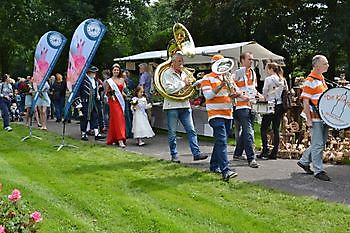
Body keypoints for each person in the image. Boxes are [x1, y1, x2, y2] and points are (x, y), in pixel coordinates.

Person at [162, 52, 208, 163]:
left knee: (191, 130)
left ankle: (196, 153)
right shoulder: (167, 74)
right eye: (179, 61)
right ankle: (174, 155)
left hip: (185, 105)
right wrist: (183, 83)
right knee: (172, 132)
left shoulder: (185, 73)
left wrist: (195, 85)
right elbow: (169, 90)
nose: (181, 63)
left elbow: (189, 88)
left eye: (182, 61)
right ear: (173, 62)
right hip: (172, 106)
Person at [201, 55, 238, 181]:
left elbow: (235, 92)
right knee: (222, 140)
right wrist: (221, 85)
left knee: (221, 141)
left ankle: (213, 165)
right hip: (215, 114)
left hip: (228, 113)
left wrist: (237, 94)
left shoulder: (228, 77)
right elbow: (208, 96)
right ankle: (225, 170)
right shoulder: (207, 78)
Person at [297, 55, 330, 181]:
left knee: (319, 143)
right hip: (315, 117)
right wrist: (309, 120)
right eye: (325, 63)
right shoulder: (310, 80)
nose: (327, 65)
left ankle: (304, 161)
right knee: (318, 144)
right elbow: (305, 102)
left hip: (322, 117)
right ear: (317, 66)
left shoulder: (321, 79)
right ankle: (318, 170)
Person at [233, 51, 264, 168]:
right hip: (241, 106)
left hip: (250, 105)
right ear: (242, 61)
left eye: (252, 59)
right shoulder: (237, 73)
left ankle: (237, 154)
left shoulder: (253, 73)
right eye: (249, 59)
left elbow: (252, 88)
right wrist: (241, 96)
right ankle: (252, 158)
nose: (251, 61)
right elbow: (232, 88)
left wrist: (259, 94)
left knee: (246, 130)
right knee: (249, 131)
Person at [259, 63, 288, 160]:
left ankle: (265, 150)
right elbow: (286, 92)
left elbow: (264, 92)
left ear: (271, 69)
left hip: (270, 105)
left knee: (264, 128)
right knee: (276, 129)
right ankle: (274, 152)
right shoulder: (282, 79)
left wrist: (263, 97)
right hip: (280, 105)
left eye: (267, 68)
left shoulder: (269, 79)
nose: (267, 70)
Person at [78, 66, 105, 141]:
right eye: (93, 72)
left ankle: (96, 134)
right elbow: (78, 92)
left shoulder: (95, 81)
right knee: (84, 118)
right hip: (85, 102)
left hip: (94, 102)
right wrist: (78, 103)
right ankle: (83, 134)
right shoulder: (82, 80)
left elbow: (96, 91)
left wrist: (98, 96)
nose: (94, 74)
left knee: (95, 117)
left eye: (95, 72)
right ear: (88, 72)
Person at [105, 63, 127, 147]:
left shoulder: (122, 80)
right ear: (112, 71)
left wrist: (128, 96)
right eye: (114, 70)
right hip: (113, 101)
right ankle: (120, 139)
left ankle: (114, 138)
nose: (116, 71)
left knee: (117, 119)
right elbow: (107, 93)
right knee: (118, 118)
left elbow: (122, 92)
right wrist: (111, 94)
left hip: (120, 101)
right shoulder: (109, 81)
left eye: (117, 70)